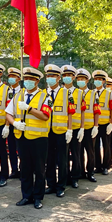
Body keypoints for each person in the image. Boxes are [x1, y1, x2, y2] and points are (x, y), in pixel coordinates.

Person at [6, 67, 52, 210]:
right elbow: (8, 113)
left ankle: (38, 197)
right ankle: (26, 195)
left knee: (39, 169)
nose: (28, 81)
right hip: (22, 137)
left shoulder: (45, 97)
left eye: (31, 79)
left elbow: (45, 116)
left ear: (38, 81)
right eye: (26, 79)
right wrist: (14, 123)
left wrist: (29, 108)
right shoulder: (18, 95)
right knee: (25, 168)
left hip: (39, 139)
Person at [44, 64, 74, 198]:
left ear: (58, 78)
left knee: (62, 159)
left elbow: (70, 112)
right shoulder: (43, 93)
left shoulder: (67, 93)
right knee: (49, 159)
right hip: (47, 131)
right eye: (48, 76)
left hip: (62, 131)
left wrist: (70, 129)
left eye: (53, 76)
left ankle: (61, 186)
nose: (50, 78)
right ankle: (50, 184)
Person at [61, 66, 85, 189]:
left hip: (75, 128)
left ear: (74, 77)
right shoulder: (59, 92)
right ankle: (64, 178)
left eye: (69, 75)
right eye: (64, 75)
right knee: (63, 155)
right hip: (61, 128)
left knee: (76, 154)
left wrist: (82, 127)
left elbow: (83, 111)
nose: (66, 78)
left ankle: (75, 177)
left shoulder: (80, 93)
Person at [76, 68, 98, 182]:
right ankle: (80, 172)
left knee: (90, 151)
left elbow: (97, 110)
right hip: (78, 127)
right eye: (78, 79)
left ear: (87, 80)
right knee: (78, 152)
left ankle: (90, 172)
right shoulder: (74, 94)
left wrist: (96, 126)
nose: (80, 81)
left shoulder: (94, 94)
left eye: (82, 79)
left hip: (89, 127)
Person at [92, 70, 112, 175]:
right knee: (95, 146)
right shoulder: (91, 93)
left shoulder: (109, 93)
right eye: (96, 79)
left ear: (103, 81)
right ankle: (97, 166)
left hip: (106, 124)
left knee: (107, 145)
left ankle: (106, 166)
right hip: (94, 124)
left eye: (99, 79)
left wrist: (111, 123)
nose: (97, 81)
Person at [2, 67, 22, 179]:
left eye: (13, 76)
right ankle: (14, 169)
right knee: (11, 148)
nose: (11, 78)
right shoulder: (7, 91)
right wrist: (7, 125)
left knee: (20, 148)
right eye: (9, 76)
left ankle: (22, 168)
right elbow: (6, 109)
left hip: (20, 124)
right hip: (9, 124)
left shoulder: (22, 91)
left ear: (18, 79)